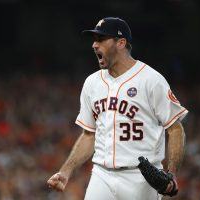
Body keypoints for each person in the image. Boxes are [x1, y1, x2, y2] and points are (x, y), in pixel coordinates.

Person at [47, 17, 188, 200]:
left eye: (101, 39)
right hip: (101, 174)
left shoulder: (151, 80)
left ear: (121, 43)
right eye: (94, 40)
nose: (94, 45)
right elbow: (89, 135)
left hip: (141, 178)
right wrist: (65, 171)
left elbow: (175, 128)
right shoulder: (92, 82)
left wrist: (171, 173)